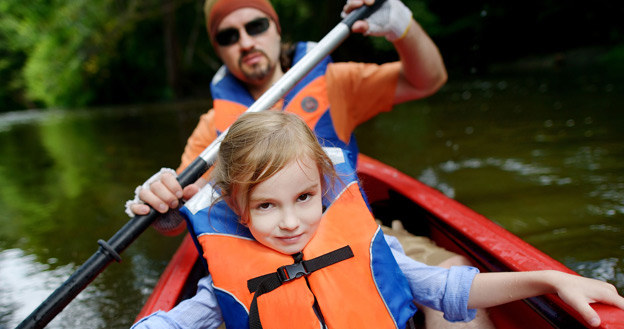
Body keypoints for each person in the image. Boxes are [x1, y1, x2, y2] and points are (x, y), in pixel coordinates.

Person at [123, 0, 491, 326]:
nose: (246, 42)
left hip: (354, 232)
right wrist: (162, 200)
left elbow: (428, 80)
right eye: (228, 36)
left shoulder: (334, 83)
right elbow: (184, 207)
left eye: (255, 26)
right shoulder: (211, 129)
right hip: (259, 250)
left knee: (451, 270)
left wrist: (401, 26)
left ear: (276, 28)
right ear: (218, 49)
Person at [131, 111, 624, 329]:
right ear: (238, 210)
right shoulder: (223, 289)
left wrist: (549, 280)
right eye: (265, 206)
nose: (289, 221)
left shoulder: (370, 250)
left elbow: (452, 290)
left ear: (323, 189)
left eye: (304, 197)